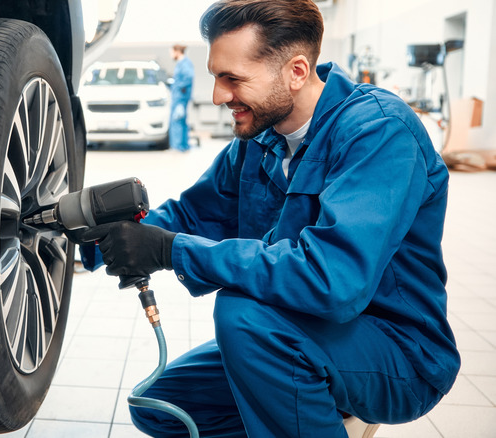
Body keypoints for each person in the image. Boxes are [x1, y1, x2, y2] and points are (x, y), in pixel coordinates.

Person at [79, 0, 460, 436]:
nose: (219, 96)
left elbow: (332, 280)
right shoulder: (260, 139)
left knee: (244, 315)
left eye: (233, 79)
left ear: (296, 72)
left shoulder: (377, 132)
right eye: (216, 77)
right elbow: (192, 215)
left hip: (396, 349)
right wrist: (90, 242)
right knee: (161, 406)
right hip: (303, 329)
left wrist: (171, 251)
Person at [169, 44, 195, 152]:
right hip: (180, 97)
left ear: (177, 52)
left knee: (177, 121)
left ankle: (178, 146)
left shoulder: (184, 63)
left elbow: (188, 77)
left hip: (180, 98)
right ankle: (183, 145)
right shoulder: (182, 64)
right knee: (182, 121)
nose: (170, 55)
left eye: (171, 52)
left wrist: (178, 87)